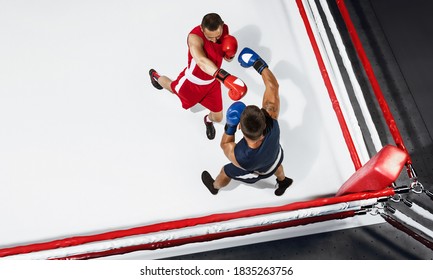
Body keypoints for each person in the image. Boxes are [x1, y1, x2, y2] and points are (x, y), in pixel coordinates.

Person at [201, 47, 293, 196]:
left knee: (226, 171)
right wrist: (258, 64)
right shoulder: (272, 118)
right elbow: (273, 86)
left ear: (240, 128)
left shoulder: (242, 156)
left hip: (257, 169)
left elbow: (224, 145)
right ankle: (283, 181)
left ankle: (214, 186)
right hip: (275, 156)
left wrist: (230, 125)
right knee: (277, 165)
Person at [149, 13, 247, 140]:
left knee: (218, 117)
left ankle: (207, 120)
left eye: (217, 36)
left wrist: (230, 55)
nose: (214, 40)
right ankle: (155, 76)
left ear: (222, 25)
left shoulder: (224, 31)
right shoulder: (194, 38)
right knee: (172, 88)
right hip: (193, 82)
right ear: (202, 29)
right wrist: (225, 77)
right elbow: (201, 61)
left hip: (212, 82)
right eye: (209, 37)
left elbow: (225, 57)